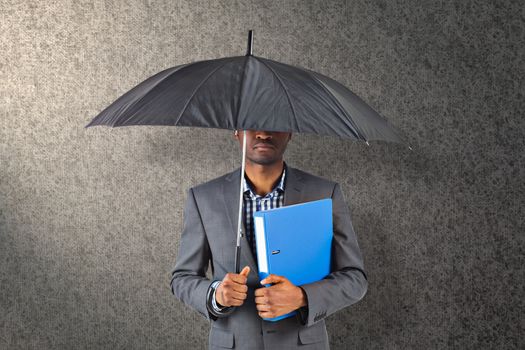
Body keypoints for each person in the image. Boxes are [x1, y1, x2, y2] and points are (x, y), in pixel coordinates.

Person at [170, 129, 367, 350]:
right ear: (237, 131)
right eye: (253, 124)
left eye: (273, 123)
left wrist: (302, 297)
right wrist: (216, 296)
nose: (263, 133)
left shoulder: (324, 192)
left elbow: (354, 278)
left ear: (290, 132)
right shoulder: (203, 197)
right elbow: (182, 278)